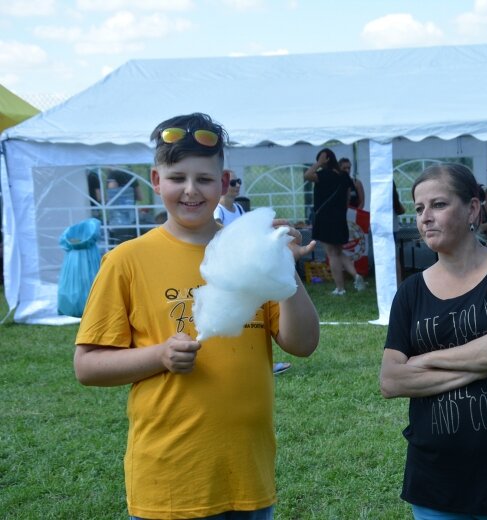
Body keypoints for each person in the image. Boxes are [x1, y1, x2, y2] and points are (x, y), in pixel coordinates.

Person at [73, 112, 319, 520]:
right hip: (169, 481)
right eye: (177, 178)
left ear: (223, 185)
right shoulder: (126, 261)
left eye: (204, 179)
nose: (190, 190)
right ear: (156, 181)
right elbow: (87, 366)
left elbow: (303, 345)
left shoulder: (248, 254)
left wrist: (283, 269)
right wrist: (160, 356)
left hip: (248, 479)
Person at [380, 163, 487, 519]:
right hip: (434, 481)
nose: (426, 217)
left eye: (438, 205)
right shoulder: (410, 293)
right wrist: (484, 360)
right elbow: (392, 380)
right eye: (419, 208)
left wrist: (424, 360)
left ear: (472, 209)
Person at [213, 170, 292, 375]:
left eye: (238, 181)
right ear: (223, 184)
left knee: (256, 316)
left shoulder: (239, 207)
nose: (237, 185)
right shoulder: (218, 210)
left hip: (246, 269)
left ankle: (263, 360)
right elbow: (220, 233)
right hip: (229, 271)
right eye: (232, 182)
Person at [305, 148, 365, 295]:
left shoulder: (323, 174)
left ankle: (340, 288)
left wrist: (318, 163)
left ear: (325, 160)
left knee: (331, 254)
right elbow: (347, 198)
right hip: (339, 218)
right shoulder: (344, 176)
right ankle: (356, 275)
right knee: (339, 251)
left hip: (325, 218)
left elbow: (307, 175)